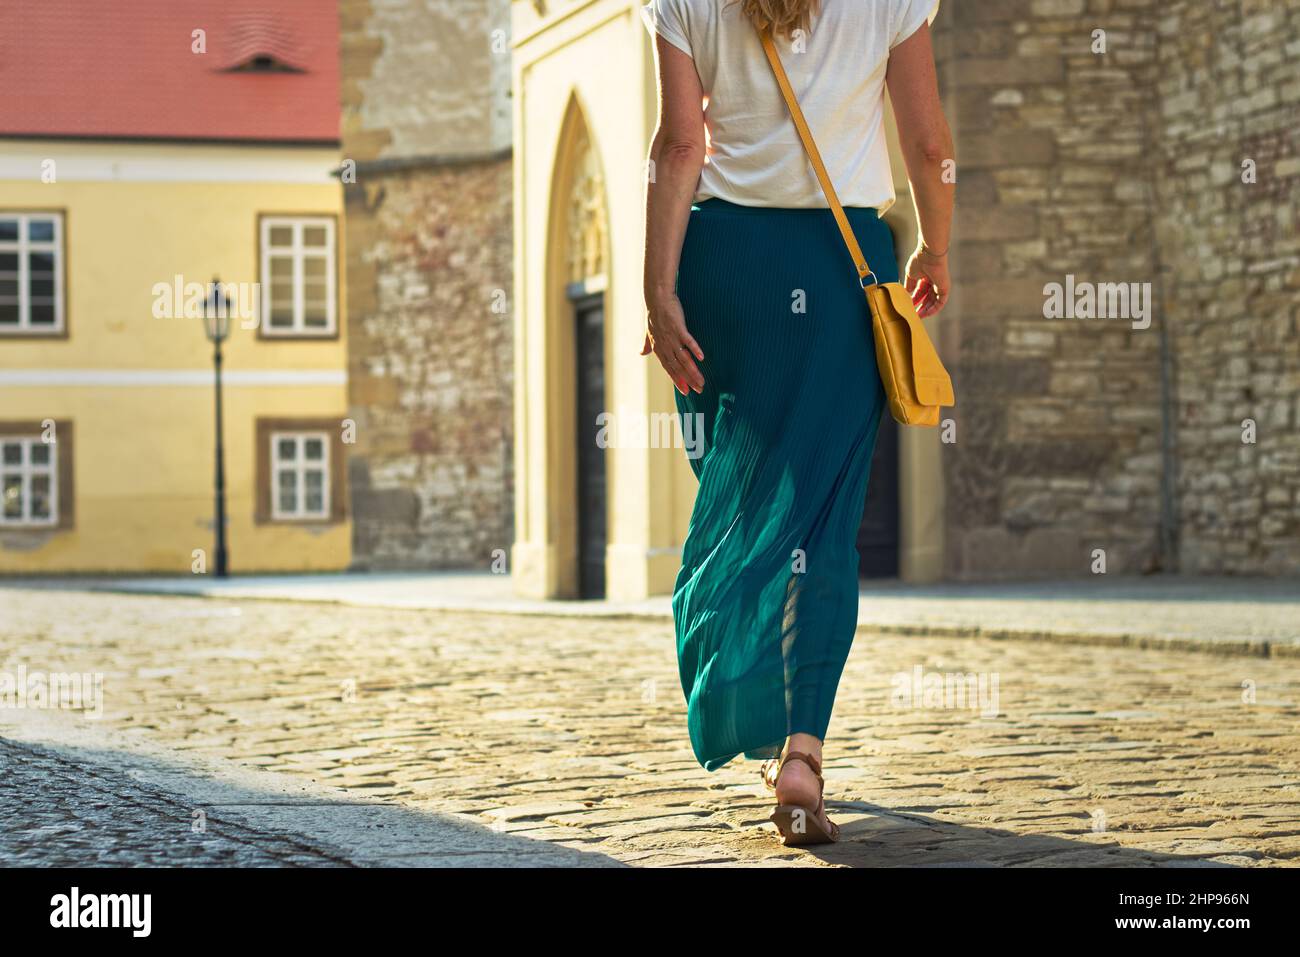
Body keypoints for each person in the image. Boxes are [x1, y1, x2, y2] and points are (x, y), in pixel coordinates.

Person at [640, 0, 954, 845]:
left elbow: (678, 147)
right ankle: (804, 750)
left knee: (746, 506)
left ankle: (744, 685)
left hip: (724, 266)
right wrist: (934, 243)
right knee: (824, 520)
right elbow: (929, 146)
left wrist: (659, 289)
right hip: (841, 267)